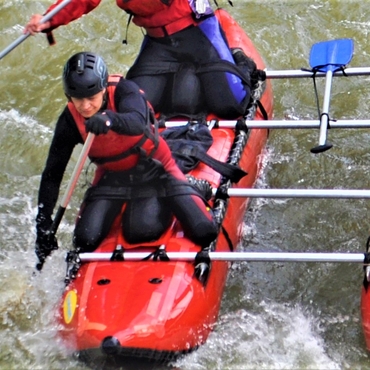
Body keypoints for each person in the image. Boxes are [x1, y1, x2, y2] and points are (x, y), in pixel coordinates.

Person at [35, 51, 218, 266]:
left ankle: (193, 186)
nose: (85, 106)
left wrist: (109, 119)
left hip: (156, 168)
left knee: (204, 231)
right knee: (84, 240)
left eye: (91, 98)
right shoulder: (68, 122)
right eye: (78, 100)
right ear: (69, 97)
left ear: (103, 89)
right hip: (112, 177)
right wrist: (43, 225)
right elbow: (52, 174)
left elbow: (137, 122)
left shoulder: (124, 91)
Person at [24, 0, 258, 120]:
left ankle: (238, 62)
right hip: (159, 43)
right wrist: (48, 20)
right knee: (134, 112)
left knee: (231, 105)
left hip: (197, 31)